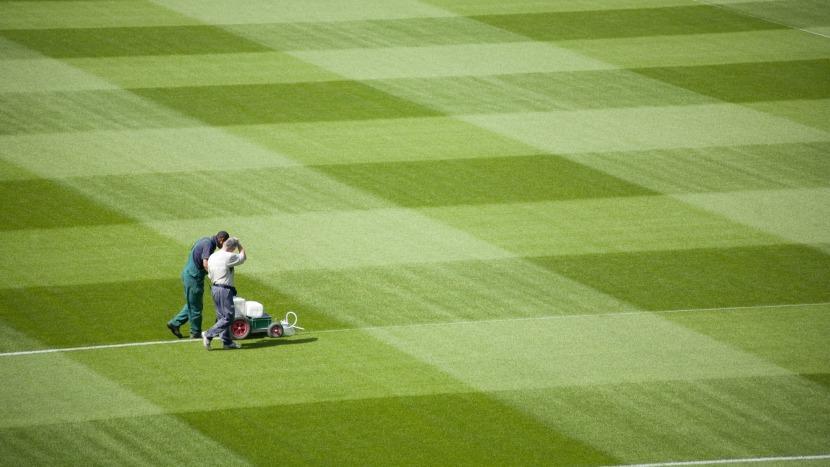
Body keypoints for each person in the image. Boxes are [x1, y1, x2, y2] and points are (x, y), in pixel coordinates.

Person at [167, 231, 229, 339]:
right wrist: (213, 276)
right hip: (193, 277)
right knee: (196, 306)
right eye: (224, 244)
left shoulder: (204, 239)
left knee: (192, 303)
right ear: (221, 240)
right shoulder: (209, 244)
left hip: (189, 273)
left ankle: (175, 323)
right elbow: (205, 262)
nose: (223, 247)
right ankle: (195, 333)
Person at [203, 236, 247, 350]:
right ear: (232, 248)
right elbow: (243, 257)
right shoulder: (229, 256)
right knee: (228, 317)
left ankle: (227, 342)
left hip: (215, 287)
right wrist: (239, 244)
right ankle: (208, 334)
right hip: (224, 289)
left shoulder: (213, 256)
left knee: (221, 316)